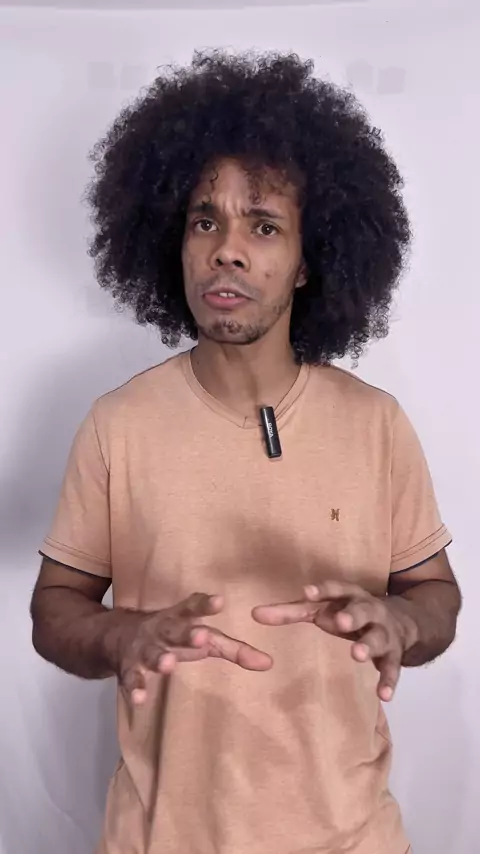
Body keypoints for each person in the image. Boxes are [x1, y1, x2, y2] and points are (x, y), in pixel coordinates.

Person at [30, 50, 461, 854]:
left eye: (263, 226)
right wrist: (120, 637)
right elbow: (54, 610)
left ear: (307, 263)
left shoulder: (376, 425)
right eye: (206, 221)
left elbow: (437, 596)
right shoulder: (118, 424)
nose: (227, 249)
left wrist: (401, 620)